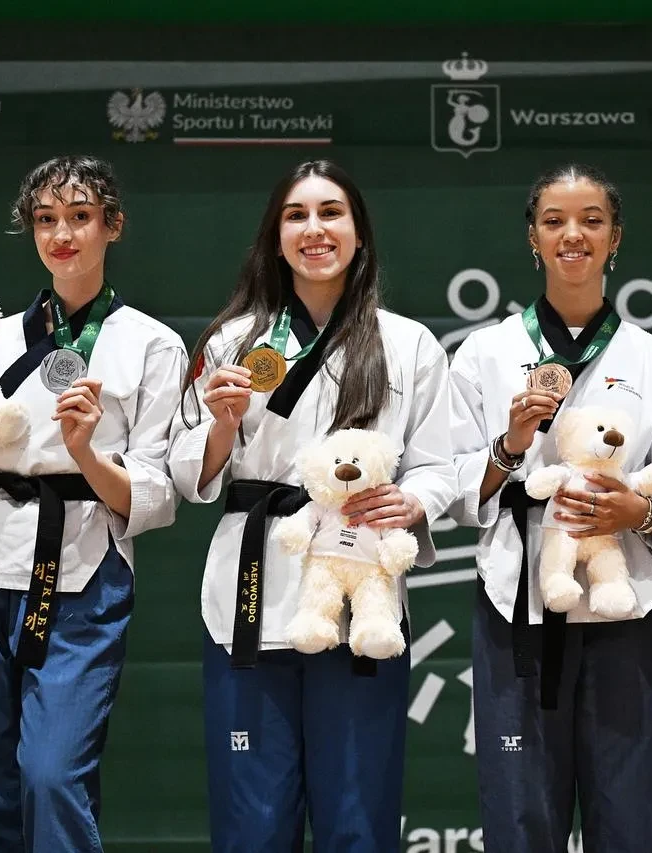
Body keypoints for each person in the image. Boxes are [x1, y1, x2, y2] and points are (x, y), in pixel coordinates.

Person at [0, 154, 185, 851]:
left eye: (81, 217)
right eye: (46, 219)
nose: (62, 234)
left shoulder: (153, 345)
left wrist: (86, 453)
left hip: (83, 573)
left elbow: (154, 494)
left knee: (51, 774)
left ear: (113, 225)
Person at [169, 159, 457, 852]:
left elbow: (441, 464)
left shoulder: (407, 342)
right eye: (296, 215)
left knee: (358, 817)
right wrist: (222, 426)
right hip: (251, 592)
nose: (314, 229)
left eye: (331, 213)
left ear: (359, 233)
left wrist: (411, 500)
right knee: (253, 822)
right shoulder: (232, 340)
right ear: (275, 237)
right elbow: (186, 471)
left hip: (360, 594)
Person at [447, 163, 652, 851]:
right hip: (519, 599)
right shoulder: (487, 352)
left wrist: (638, 513)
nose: (573, 234)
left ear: (615, 238)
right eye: (554, 221)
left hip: (630, 605)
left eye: (592, 221)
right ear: (532, 238)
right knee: (521, 816)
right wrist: (510, 446)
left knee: (633, 816)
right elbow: (451, 481)